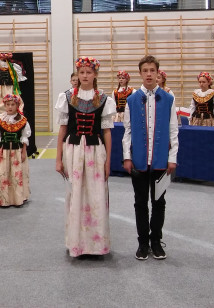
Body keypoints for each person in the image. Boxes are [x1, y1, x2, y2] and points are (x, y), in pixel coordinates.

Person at [55, 56, 115, 257]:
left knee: (97, 195)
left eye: (89, 72)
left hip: (96, 152)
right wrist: (58, 158)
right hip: (73, 151)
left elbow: (107, 132)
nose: (85, 76)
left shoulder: (104, 99)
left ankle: (96, 244)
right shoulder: (67, 97)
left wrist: (108, 161)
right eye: (82, 72)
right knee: (75, 194)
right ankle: (76, 243)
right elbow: (63, 130)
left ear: (95, 74)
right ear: (77, 74)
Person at [122, 55, 178, 261]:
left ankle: (156, 241)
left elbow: (173, 131)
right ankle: (143, 243)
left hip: (161, 161)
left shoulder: (168, 99)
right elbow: (127, 131)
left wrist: (172, 157)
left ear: (157, 73)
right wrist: (127, 157)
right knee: (140, 203)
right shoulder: (131, 99)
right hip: (138, 160)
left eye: (152, 70)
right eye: (145, 70)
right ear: (140, 73)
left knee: (159, 202)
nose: (148, 74)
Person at [0, 94, 30, 208]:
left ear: (17, 105)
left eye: (12, 104)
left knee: (16, 175)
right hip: (3, 151)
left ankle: (17, 198)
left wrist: (24, 151)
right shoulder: (0, 120)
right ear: (4, 105)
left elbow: (24, 137)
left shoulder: (22, 121)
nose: (10, 107)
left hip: (17, 151)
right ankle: (4, 199)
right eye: (8, 104)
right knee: (3, 174)